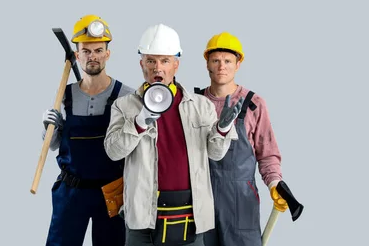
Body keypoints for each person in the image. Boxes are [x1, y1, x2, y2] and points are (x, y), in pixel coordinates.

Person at [102, 24, 244, 246]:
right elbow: (112, 151)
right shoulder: (125, 106)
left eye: (165, 61)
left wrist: (223, 128)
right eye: (151, 61)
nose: (157, 68)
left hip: (192, 216)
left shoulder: (200, 105)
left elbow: (216, 154)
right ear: (142, 64)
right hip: (143, 219)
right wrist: (139, 122)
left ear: (176, 65)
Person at [41, 14, 135, 246]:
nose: (92, 56)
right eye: (86, 51)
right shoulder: (64, 94)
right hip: (71, 191)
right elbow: (53, 145)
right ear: (77, 55)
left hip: (112, 193)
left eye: (98, 50)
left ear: (107, 53)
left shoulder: (127, 96)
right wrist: (48, 128)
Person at [194, 32, 288, 246]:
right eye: (215, 60)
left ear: (238, 65)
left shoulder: (254, 104)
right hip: (200, 200)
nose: (221, 66)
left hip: (240, 202)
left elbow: (268, 154)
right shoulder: (194, 103)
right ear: (207, 63)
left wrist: (275, 184)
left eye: (228, 61)